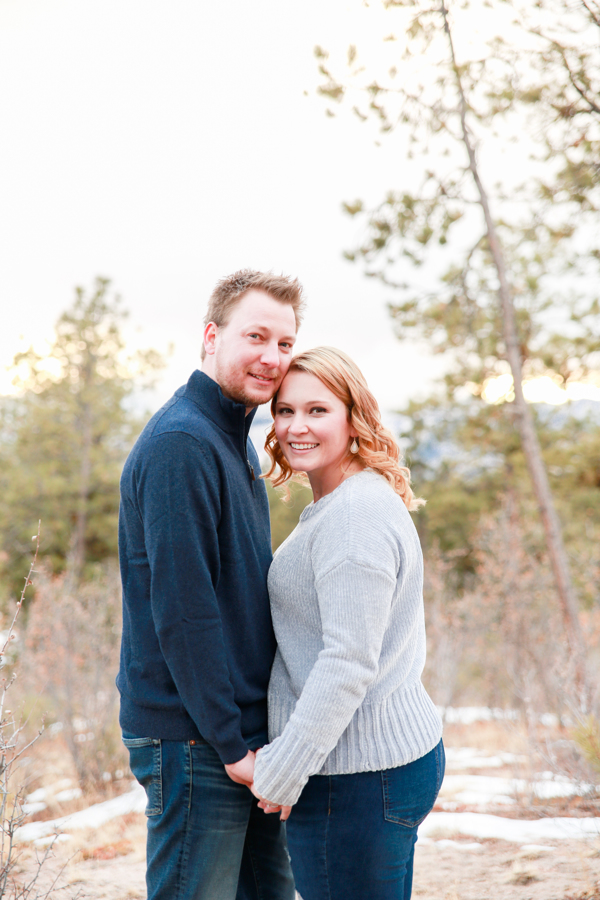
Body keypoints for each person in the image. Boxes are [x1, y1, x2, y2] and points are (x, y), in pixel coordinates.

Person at [116, 270, 304, 900]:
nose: (271, 357)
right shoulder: (182, 444)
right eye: (256, 336)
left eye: (285, 342)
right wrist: (230, 744)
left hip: (241, 736)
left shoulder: (235, 441)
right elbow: (185, 611)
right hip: (197, 738)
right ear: (211, 336)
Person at [252, 346, 445, 900]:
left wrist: (284, 769)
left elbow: (348, 662)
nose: (296, 427)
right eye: (285, 411)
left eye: (317, 411)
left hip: (357, 777)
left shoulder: (354, 518)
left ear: (352, 416)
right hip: (373, 766)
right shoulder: (344, 501)